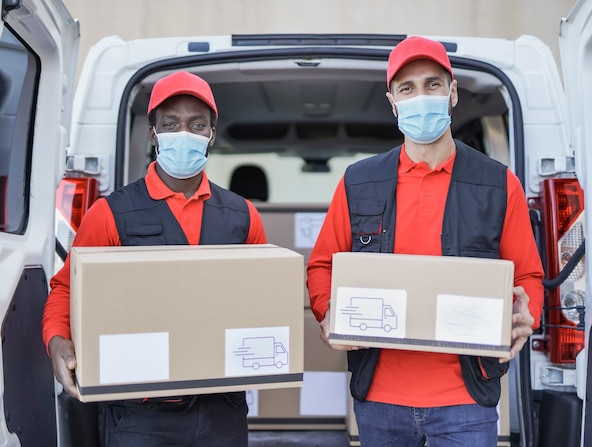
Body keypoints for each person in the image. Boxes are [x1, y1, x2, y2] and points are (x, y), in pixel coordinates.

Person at [306, 36, 544, 447]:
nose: (421, 97)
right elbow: (322, 265)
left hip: (467, 400)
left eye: (432, 84)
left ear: (452, 92)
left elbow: (528, 274)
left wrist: (528, 314)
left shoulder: (498, 183)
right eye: (407, 88)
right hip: (380, 399)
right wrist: (329, 315)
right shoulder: (359, 182)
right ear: (392, 102)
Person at [42, 70, 267, 447]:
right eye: (171, 124)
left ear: (211, 134)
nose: (184, 133)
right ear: (153, 134)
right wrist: (57, 340)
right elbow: (67, 288)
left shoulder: (243, 215)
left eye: (197, 124)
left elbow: (265, 301)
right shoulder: (110, 213)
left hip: (220, 408)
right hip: (139, 411)